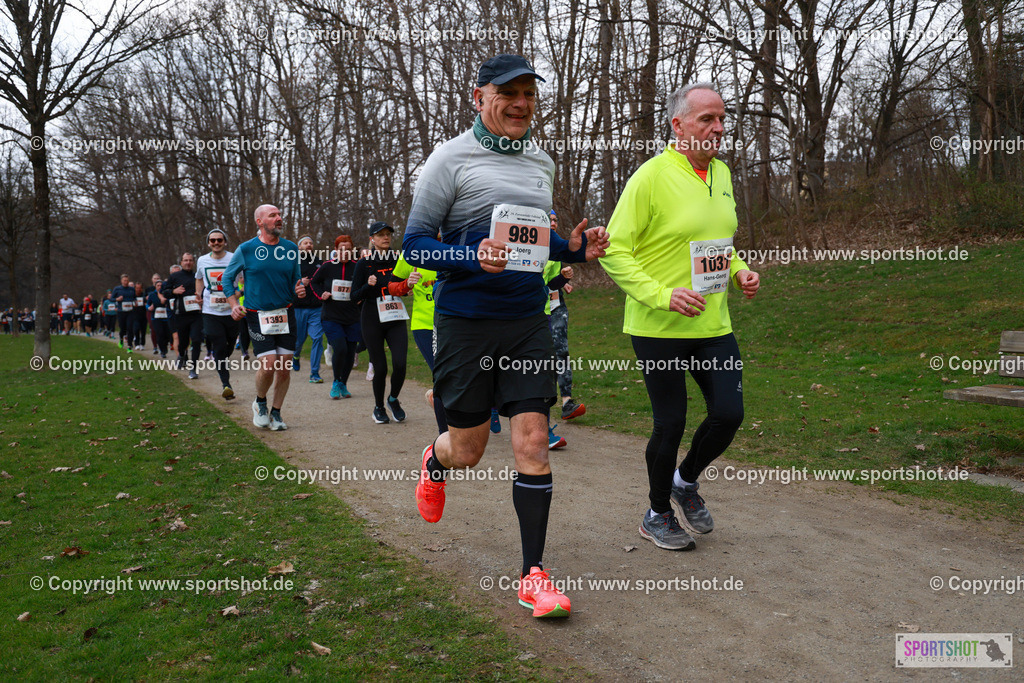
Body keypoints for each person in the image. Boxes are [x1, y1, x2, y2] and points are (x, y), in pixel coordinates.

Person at [403, 54, 609, 618]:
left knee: (533, 443)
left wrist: (572, 248)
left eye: (529, 94)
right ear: (478, 97)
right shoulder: (448, 159)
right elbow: (415, 245)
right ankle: (435, 458)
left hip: (526, 322)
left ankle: (534, 576)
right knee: (468, 451)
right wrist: (469, 258)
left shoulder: (540, 161)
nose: (521, 104)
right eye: (508, 93)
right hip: (466, 323)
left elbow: (531, 239)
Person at [601, 83, 760, 552]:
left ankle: (685, 481)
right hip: (658, 327)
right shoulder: (650, 177)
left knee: (729, 414)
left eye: (722, 118)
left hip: (713, 325)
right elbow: (614, 250)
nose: (718, 127)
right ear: (678, 125)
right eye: (707, 119)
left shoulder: (724, 174)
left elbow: (719, 247)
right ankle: (656, 514)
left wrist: (740, 273)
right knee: (669, 423)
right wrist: (662, 295)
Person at [222, 204, 307, 431]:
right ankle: (260, 402)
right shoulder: (247, 249)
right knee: (269, 365)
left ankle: (276, 412)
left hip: (285, 313)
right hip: (257, 314)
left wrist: (298, 288)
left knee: (284, 366)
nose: (279, 218)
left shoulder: (290, 248)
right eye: (273, 215)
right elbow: (227, 278)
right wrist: (233, 304)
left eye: (279, 215)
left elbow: (296, 279)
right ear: (260, 222)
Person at [350, 221, 409, 424]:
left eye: (388, 234)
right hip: (372, 317)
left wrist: (408, 287)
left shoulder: (398, 259)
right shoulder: (364, 264)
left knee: (400, 364)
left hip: (395, 316)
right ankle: (378, 406)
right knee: (381, 368)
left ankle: (393, 399)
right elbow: (353, 296)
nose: (386, 238)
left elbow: (403, 287)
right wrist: (367, 286)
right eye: (380, 234)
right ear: (372, 239)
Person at [392, 252, 447, 434]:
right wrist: (406, 284)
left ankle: (438, 399)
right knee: (441, 377)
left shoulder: (453, 246)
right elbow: (392, 287)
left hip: (453, 322)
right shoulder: (410, 254)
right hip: (424, 325)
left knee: (457, 376)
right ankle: (444, 436)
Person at [309, 234, 362, 399]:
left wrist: (361, 296)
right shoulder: (327, 266)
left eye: (348, 249)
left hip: (353, 316)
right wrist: (322, 294)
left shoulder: (358, 267)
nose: (345, 252)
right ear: (336, 250)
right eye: (342, 249)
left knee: (350, 352)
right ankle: (335, 381)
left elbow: (365, 286)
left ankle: (343, 384)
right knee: (340, 348)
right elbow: (313, 282)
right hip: (331, 316)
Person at [197, 229, 240, 399]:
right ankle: (226, 385)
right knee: (219, 345)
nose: (216, 243)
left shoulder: (235, 258)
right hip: (210, 310)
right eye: (213, 240)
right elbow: (199, 277)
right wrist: (197, 294)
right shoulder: (202, 260)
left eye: (219, 240)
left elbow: (245, 277)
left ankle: (220, 358)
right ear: (208, 243)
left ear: (225, 242)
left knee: (228, 345)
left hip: (232, 309)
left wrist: (241, 292)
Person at [161, 254, 204, 378]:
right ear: (181, 262)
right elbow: (165, 292)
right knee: (183, 342)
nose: (188, 262)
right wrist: (174, 291)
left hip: (196, 314)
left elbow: (205, 291)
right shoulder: (175, 276)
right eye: (186, 260)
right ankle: (181, 354)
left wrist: (202, 299)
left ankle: (193, 368)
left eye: (190, 260)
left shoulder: (198, 276)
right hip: (181, 315)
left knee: (196, 340)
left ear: (194, 262)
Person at [292, 235, 326, 384]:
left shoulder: (319, 262)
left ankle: (314, 373)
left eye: (311, 243)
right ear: (299, 247)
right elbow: (286, 281)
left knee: (317, 338)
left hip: (316, 307)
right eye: (305, 243)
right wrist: (300, 282)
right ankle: (296, 355)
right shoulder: (293, 262)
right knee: (299, 340)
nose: (308, 245)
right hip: (298, 307)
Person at [147, 279, 170, 358]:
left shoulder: (166, 293)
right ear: (155, 286)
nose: (160, 287)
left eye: (161, 285)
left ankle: (165, 346)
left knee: (167, 334)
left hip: (166, 317)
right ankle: (162, 350)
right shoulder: (152, 295)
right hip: (156, 318)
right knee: (159, 333)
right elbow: (147, 304)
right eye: (158, 285)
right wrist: (149, 308)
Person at [112, 275, 135, 349]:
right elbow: (111, 299)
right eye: (124, 280)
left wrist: (135, 301)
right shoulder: (117, 289)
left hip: (130, 311)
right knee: (122, 328)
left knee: (130, 328)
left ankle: (129, 345)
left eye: (127, 280)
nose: (126, 282)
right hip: (121, 311)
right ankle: (121, 339)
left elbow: (134, 298)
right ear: (121, 281)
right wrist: (117, 299)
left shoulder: (131, 289)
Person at [131, 282, 148, 349]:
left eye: (140, 288)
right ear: (135, 288)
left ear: (141, 289)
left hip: (143, 315)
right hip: (135, 315)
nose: (138, 289)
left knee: (143, 331)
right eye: (137, 288)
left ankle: (142, 344)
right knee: (136, 329)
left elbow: (147, 302)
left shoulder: (144, 295)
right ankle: (137, 343)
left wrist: (145, 303)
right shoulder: (132, 296)